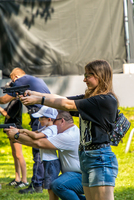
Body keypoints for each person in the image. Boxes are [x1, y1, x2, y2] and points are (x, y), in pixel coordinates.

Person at [19, 60, 119, 200]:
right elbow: (61, 99)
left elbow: (66, 104)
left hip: (99, 157)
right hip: (87, 157)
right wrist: (34, 93)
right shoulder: (91, 99)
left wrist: (38, 100)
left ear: (99, 75)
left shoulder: (104, 100)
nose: (84, 79)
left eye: (88, 75)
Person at [0, 67, 50, 193]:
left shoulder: (20, 80)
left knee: (37, 151)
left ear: (15, 77)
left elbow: (5, 99)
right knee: (45, 151)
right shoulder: (34, 80)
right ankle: (43, 182)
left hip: (41, 117)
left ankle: (36, 185)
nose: (14, 87)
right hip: (46, 115)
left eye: (12, 82)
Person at [5, 110, 85, 200]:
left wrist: (17, 135)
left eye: (54, 122)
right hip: (77, 175)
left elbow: (39, 143)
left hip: (80, 177)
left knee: (57, 185)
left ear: (62, 121)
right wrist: (18, 137)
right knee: (57, 185)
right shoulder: (71, 131)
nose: (53, 125)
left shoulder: (68, 135)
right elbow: (36, 138)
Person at [0, 82, 29, 188]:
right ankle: (17, 178)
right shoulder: (12, 102)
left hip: (16, 129)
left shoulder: (17, 102)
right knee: (14, 154)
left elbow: (8, 115)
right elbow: (6, 111)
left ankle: (24, 180)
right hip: (10, 129)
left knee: (19, 155)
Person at [17, 106, 60, 199]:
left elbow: (36, 136)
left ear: (49, 119)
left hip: (51, 162)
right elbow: (35, 133)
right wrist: (18, 133)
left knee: (51, 186)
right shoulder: (45, 127)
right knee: (49, 185)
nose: (39, 120)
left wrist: (24, 130)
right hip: (47, 161)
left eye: (41, 118)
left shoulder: (51, 129)